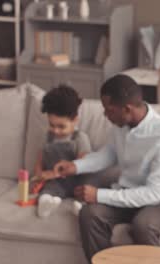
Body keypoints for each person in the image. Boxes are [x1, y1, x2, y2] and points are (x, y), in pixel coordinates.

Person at [53, 74, 160, 261]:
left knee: (143, 225)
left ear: (127, 109)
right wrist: (74, 166)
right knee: (90, 214)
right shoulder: (122, 124)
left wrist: (99, 194)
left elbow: (156, 193)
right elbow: (109, 154)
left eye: (109, 110)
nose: (106, 116)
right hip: (129, 189)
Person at [34, 85, 92, 218]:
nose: (55, 131)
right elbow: (40, 158)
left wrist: (56, 173)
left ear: (75, 120)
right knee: (48, 190)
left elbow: (84, 164)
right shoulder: (48, 137)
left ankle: (81, 207)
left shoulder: (80, 138)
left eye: (61, 126)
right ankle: (46, 204)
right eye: (52, 125)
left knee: (86, 187)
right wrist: (38, 175)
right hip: (55, 183)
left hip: (76, 180)